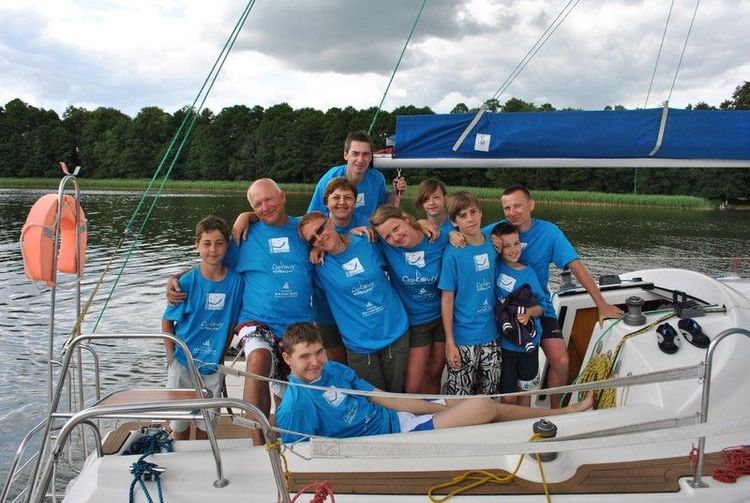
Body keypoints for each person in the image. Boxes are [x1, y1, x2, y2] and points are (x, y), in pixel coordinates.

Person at [168, 178, 313, 445]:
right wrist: (176, 278)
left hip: (297, 324)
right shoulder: (243, 237)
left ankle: (284, 437)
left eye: (269, 199)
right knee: (258, 359)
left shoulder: (303, 230)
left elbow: (332, 236)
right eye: (257, 204)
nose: (264, 207)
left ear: (282, 196)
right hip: (257, 320)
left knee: (287, 389)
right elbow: (210, 261)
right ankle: (258, 440)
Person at [276, 322, 593, 443]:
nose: (315, 362)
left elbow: (383, 398)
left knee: (466, 402)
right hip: (391, 438)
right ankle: (561, 415)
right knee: (483, 405)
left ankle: (559, 414)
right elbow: (298, 458)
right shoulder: (295, 406)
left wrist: (435, 408)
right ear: (288, 359)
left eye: (319, 352)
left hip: (395, 417)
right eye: (305, 357)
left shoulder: (333, 370)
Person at [495, 185, 623, 408]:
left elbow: (576, 266)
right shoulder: (498, 231)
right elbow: (468, 235)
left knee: (561, 361)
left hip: (539, 307)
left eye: (517, 206)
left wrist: (601, 304)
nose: (512, 212)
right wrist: (451, 233)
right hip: (505, 313)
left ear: (531, 205)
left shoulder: (549, 233)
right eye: (507, 208)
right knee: (511, 385)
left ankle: (555, 411)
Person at [298, 211, 409, 392]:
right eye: (312, 239)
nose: (319, 238)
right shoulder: (318, 265)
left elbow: (400, 236)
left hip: (394, 332)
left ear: (330, 222)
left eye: (320, 229)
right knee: (371, 401)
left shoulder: (366, 241)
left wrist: (423, 225)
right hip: (359, 344)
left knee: (398, 395)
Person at [162, 215, 243, 440]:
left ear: (227, 245)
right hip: (183, 361)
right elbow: (167, 321)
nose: (213, 250)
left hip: (212, 364)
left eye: (219, 243)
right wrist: (171, 357)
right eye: (206, 244)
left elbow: (231, 323)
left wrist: (221, 355)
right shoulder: (186, 282)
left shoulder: (236, 282)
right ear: (197, 245)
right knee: (180, 423)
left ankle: (204, 454)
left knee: (206, 424)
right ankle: (179, 456)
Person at [370, 205, 448, 394]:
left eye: (396, 228)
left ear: (405, 219)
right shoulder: (387, 248)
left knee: (435, 372)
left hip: (442, 318)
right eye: (388, 236)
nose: (395, 237)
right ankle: (412, 411)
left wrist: (454, 235)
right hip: (415, 322)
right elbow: (348, 243)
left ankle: (432, 409)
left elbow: (472, 236)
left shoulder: (439, 238)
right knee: (414, 382)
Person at [438, 192, 501, 396]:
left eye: (473, 212)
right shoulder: (452, 253)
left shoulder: (493, 244)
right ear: (454, 222)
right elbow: (447, 299)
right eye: (462, 215)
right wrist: (450, 342)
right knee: (461, 396)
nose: (470, 218)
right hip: (463, 337)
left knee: (489, 393)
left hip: (491, 334)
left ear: (481, 213)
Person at [491, 222, 554, 406]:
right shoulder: (495, 266)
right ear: (498, 247)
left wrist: (528, 313)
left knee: (525, 392)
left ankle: (524, 421)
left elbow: (541, 307)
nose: (513, 250)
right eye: (506, 246)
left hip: (529, 346)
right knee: (508, 397)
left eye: (516, 243)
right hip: (506, 345)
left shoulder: (529, 273)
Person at [313, 177, 371, 365]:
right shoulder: (315, 227)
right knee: (337, 367)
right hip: (326, 310)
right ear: (326, 202)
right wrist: (246, 217)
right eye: (336, 197)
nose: (342, 202)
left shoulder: (365, 223)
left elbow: (396, 225)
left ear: (355, 202)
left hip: (359, 311)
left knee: (359, 366)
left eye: (348, 197)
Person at [307, 130, 406, 219]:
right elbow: (312, 217)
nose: (360, 160)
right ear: (346, 155)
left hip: (366, 232)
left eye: (365, 154)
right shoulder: (330, 178)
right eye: (355, 154)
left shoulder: (377, 178)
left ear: (370, 157)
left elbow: (383, 208)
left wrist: (395, 192)